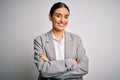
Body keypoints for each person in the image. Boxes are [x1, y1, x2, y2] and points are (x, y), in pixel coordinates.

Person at [33, 2, 89, 80]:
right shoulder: (39, 40)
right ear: (50, 17)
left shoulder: (77, 40)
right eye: (58, 16)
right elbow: (43, 71)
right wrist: (70, 63)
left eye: (66, 17)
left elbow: (84, 68)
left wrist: (50, 64)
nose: (62, 20)